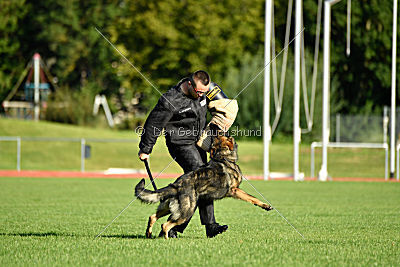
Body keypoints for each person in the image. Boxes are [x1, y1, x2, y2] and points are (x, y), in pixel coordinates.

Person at [138, 70, 238, 238]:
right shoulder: (171, 100)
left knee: (203, 180)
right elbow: (153, 124)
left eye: (204, 93)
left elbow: (226, 105)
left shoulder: (207, 91)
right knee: (202, 176)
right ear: (189, 84)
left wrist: (221, 120)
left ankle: (208, 225)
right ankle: (176, 228)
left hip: (198, 141)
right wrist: (145, 149)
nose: (201, 95)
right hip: (179, 144)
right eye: (199, 92)